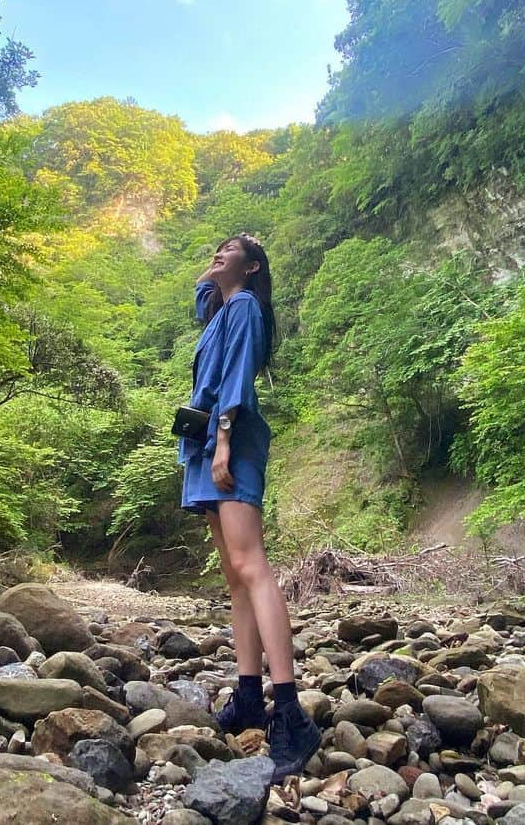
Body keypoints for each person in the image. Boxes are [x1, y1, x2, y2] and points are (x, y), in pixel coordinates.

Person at [179, 234, 321, 782]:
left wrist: (223, 438)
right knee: (234, 575)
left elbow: (236, 375)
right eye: (212, 247)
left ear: (254, 265)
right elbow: (202, 305)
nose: (216, 252)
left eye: (229, 249)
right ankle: (246, 695)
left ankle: (289, 710)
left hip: (228, 442)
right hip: (206, 444)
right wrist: (212, 272)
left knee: (251, 564)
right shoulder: (220, 308)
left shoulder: (244, 308)